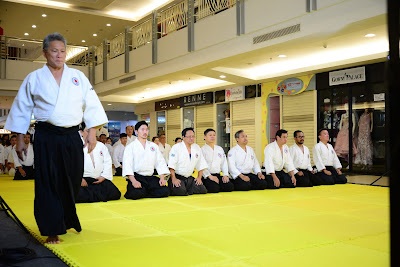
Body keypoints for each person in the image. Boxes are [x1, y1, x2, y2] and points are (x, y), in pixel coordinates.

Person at [4, 32, 108, 244]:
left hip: (72, 135)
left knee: (72, 178)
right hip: (47, 135)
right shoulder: (34, 78)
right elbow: (22, 108)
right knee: (48, 181)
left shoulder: (77, 77)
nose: (59, 56)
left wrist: (92, 132)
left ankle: (66, 219)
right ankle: (52, 229)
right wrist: (21, 138)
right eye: (54, 51)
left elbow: (92, 104)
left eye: (62, 51)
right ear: (45, 53)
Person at [123, 121, 170, 200]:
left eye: (146, 129)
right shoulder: (130, 147)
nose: (145, 132)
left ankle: (145, 191)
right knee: (136, 194)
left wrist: (162, 178)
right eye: (142, 129)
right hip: (137, 177)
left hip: (150, 177)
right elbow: (127, 165)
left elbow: (160, 162)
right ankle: (145, 190)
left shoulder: (153, 146)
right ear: (137, 131)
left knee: (165, 191)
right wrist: (133, 181)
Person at [76, 123, 121, 203]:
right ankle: (95, 195)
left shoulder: (101, 146)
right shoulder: (76, 146)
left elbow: (107, 162)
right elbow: (71, 165)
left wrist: (103, 177)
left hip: (99, 178)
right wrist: (79, 178)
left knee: (115, 193)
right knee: (78, 195)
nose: (90, 134)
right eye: (87, 131)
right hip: (84, 179)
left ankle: (93, 195)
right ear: (81, 132)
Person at [168, 128, 208, 195]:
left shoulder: (196, 147)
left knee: (202, 189)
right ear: (183, 137)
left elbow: (201, 164)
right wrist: (174, 179)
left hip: (189, 178)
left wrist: (199, 178)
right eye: (189, 136)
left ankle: (187, 188)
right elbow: (171, 165)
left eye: (193, 136)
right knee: (180, 191)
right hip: (178, 176)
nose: (191, 138)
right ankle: (184, 188)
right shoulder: (176, 147)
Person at [201, 129, 234, 193]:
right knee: (214, 189)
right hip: (208, 176)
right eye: (210, 135)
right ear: (205, 137)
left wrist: (225, 175)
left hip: (218, 174)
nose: (212, 137)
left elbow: (224, 163)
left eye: (214, 135)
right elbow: (201, 165)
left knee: (229, 187)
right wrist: (210, 176)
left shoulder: (219, 149)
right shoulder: (202, 149)